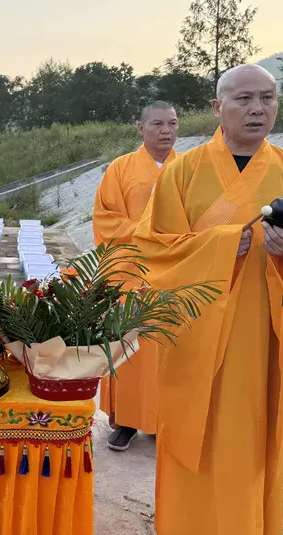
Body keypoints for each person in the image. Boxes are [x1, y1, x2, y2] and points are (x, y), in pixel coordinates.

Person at [133, 64, 283, 534]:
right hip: (198, 337)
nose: (257, 109)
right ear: (217, 107)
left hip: (264, 339)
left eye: (267, 98)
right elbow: (150, 252)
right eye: (244, 98)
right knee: (196, 438)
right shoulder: (184, 171)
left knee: (251, 444)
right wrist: (221, 246)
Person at [92, 100, 178, 451]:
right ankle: (126, 420)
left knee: (167, 350)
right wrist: (146, 231)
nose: (166, 131)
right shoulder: (121, 168)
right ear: (140, 128)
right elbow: (105, 219)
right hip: (129, 271)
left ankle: (162, 420)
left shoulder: (190, 168)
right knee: (129, 346)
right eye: (157, 124)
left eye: (172, 123)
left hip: (173, 271)